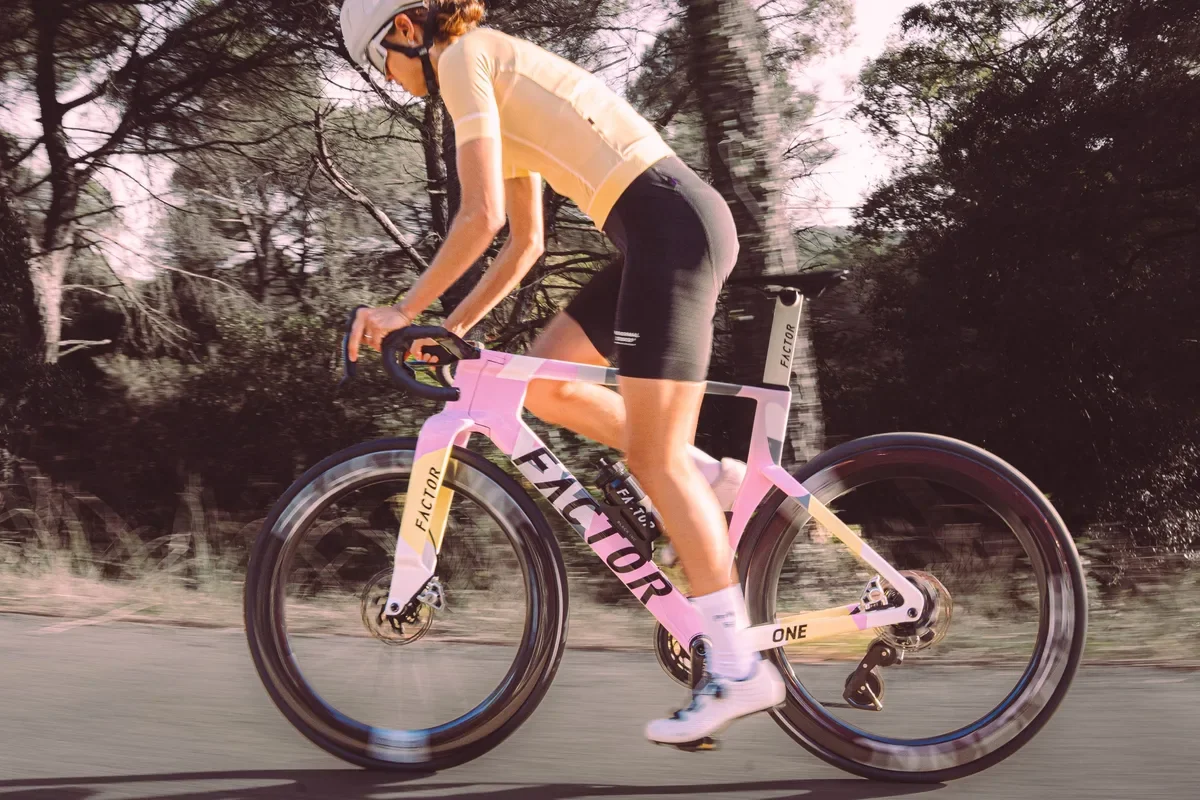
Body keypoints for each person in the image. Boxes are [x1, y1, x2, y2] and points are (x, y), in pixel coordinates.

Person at [339, 0, 785, 746]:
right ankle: (712, 479)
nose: (386, 78)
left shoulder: (462, 59)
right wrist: (446, 329)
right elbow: (522, 246)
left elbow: (476, 219)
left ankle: (739, 669)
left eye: (377, 60)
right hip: (655, 234)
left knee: (652, 456)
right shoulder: (485, 72)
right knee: (546, 387)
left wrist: (402, 309)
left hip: (670, 232)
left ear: (405, 29)